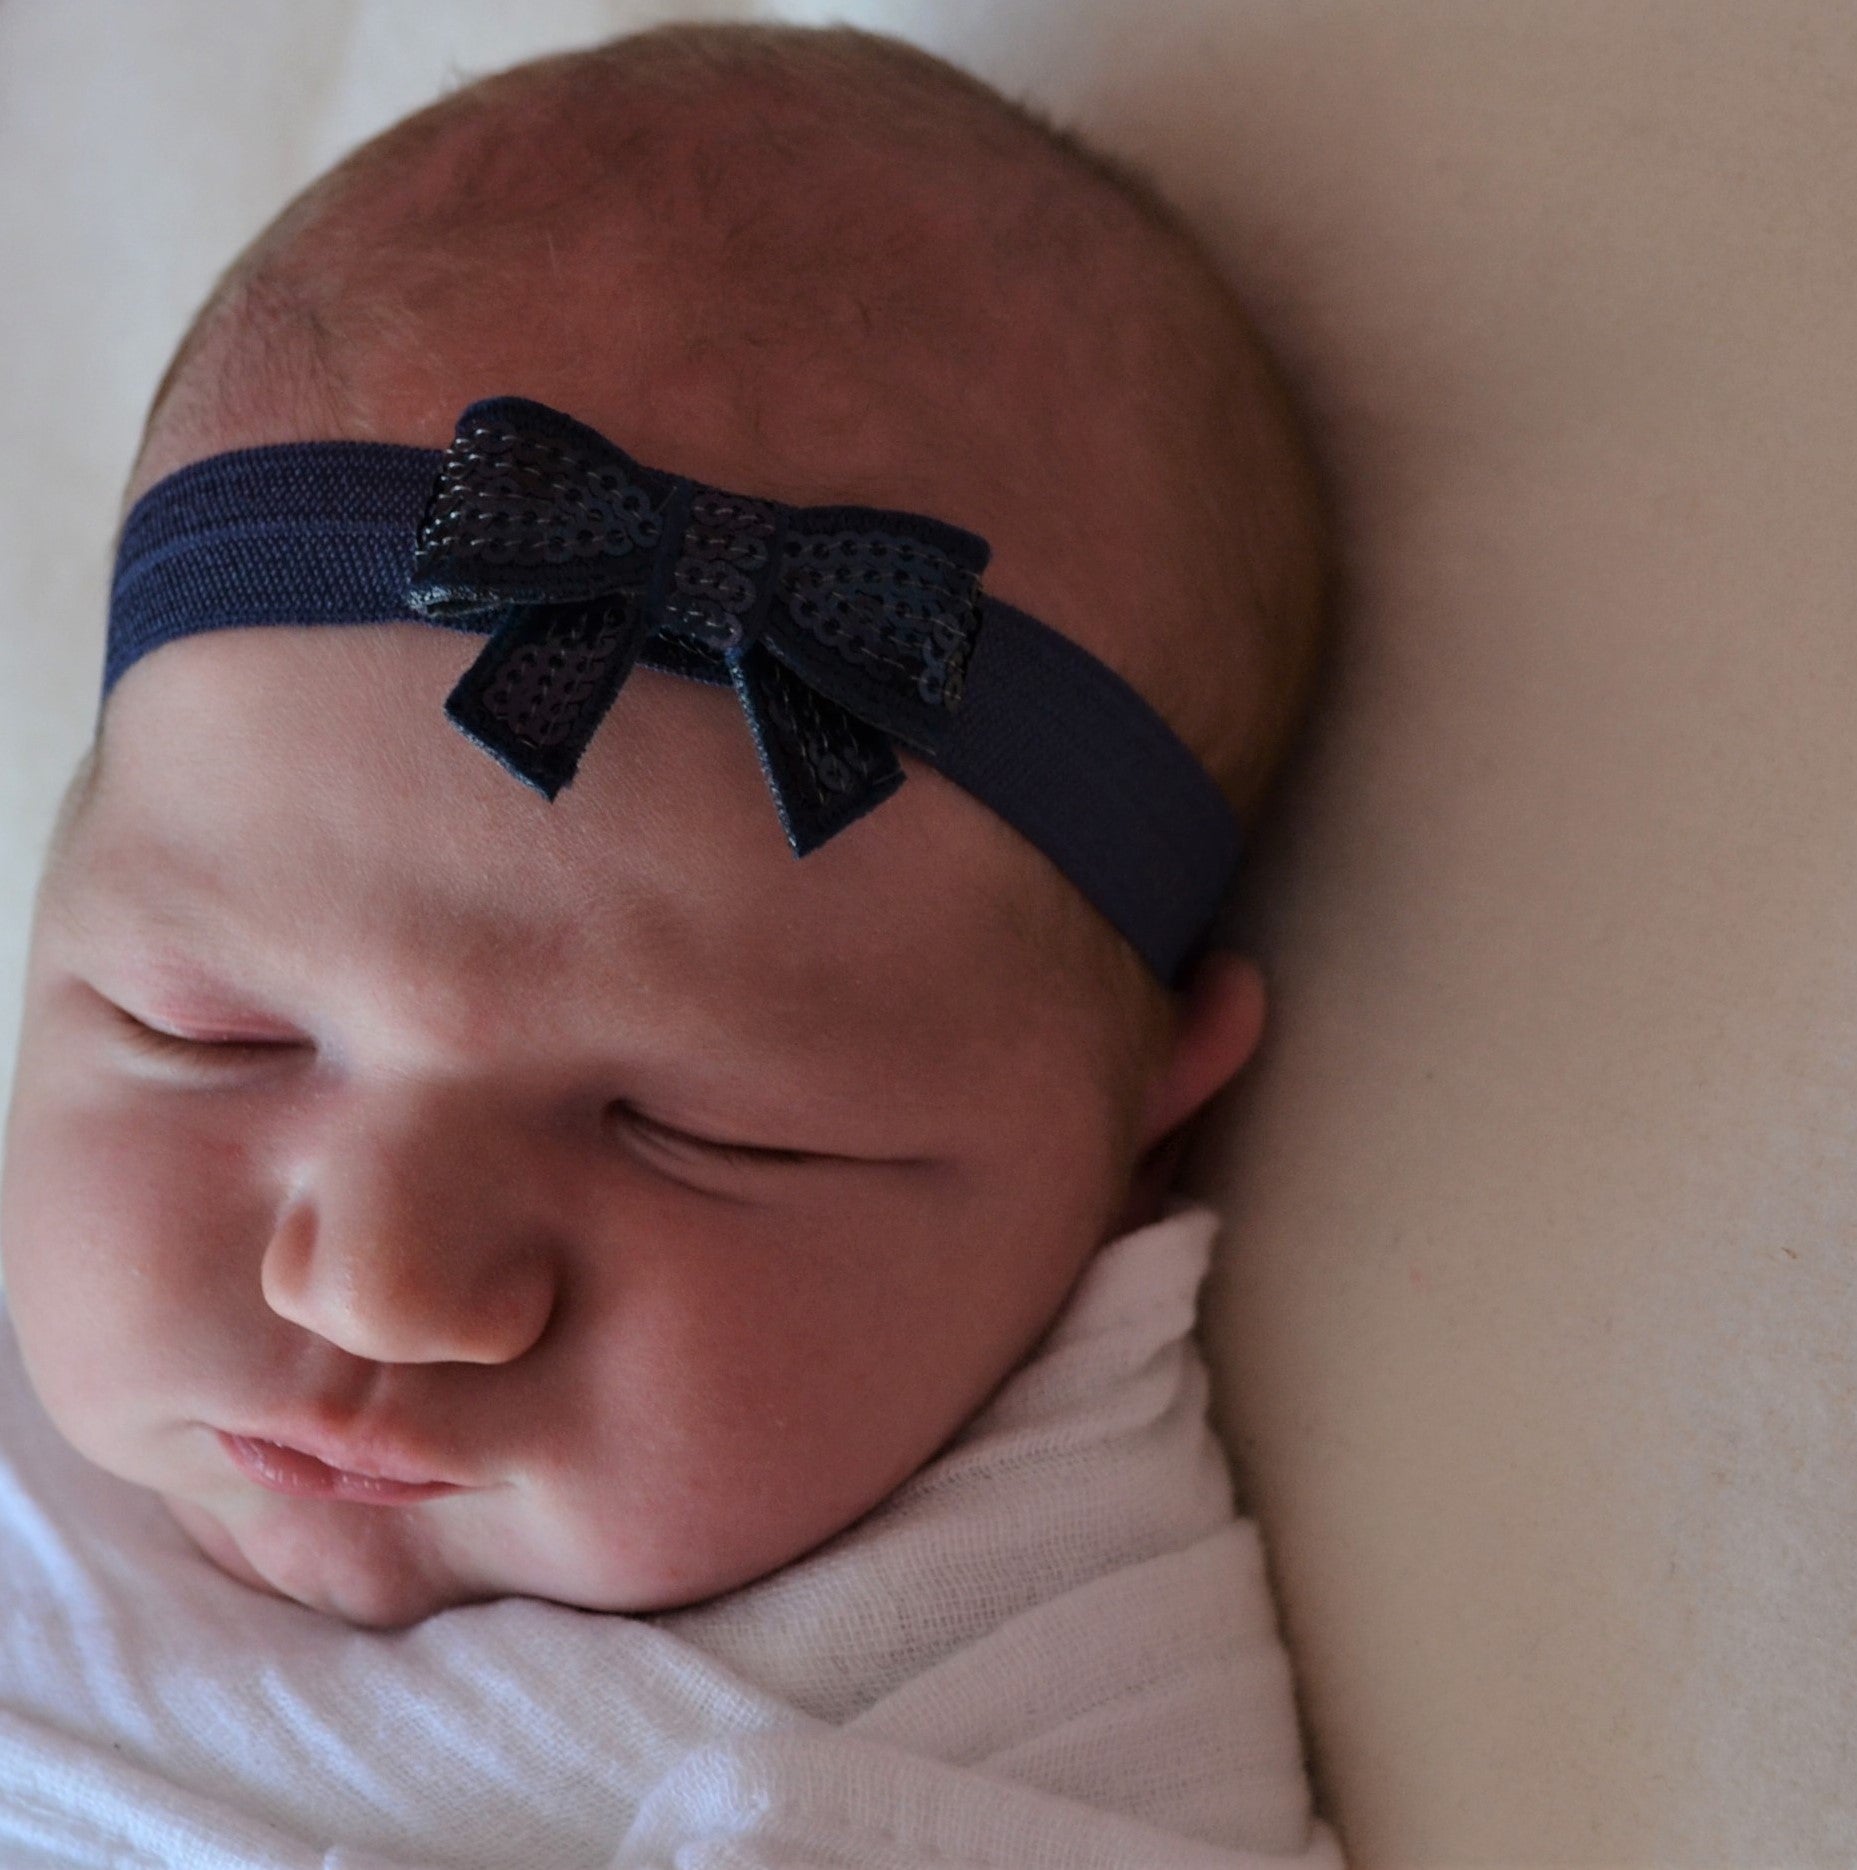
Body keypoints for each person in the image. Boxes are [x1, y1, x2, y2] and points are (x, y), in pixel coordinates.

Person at [0, 21, 1340, 1866]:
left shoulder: (1023, 1639)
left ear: (1138, 1126)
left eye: (703, 1134)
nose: (377, 1282)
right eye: (206, 1028)